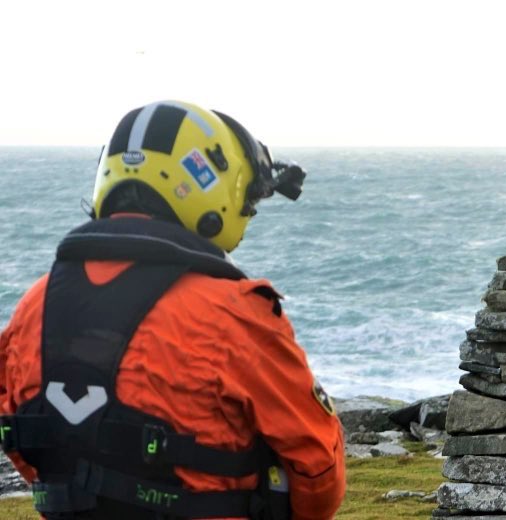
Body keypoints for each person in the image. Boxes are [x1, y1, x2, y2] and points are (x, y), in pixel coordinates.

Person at [0, 101, 346, 519]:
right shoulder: (234, 312)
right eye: (248, 204)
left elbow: (26, 443)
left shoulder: (34, 306)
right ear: (211, 187)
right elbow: (317, 469)